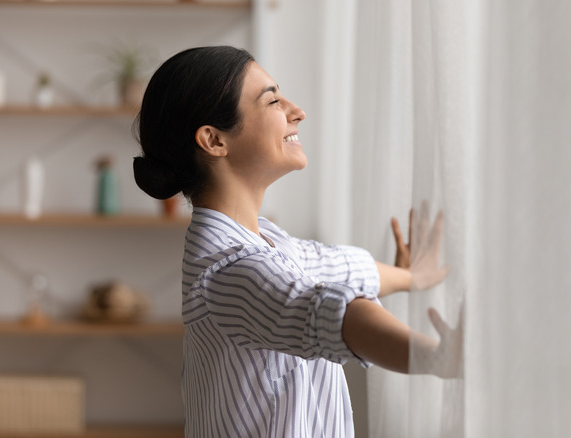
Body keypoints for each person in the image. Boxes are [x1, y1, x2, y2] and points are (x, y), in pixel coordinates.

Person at [133, 46, 454, 438]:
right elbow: (333, 313)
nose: (296, 110)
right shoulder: (229, 273)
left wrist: (410, 277)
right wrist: (438, 357)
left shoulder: (269, 243)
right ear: (214, 140)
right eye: (272, 100)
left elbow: (340, 268)